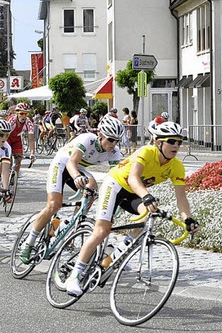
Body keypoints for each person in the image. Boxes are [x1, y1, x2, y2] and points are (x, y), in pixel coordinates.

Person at [65, 121, 200, 297]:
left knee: (147, 217)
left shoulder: (176, 167)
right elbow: (133, 179)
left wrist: (188, 218)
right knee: (102, 230)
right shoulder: (146, 152)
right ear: (159, 142)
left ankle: (118, 252)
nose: (176, 146)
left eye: (179, 142)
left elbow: (181, 198)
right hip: (115, 185)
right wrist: (146, 196)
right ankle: (74, 276)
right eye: (171, 141)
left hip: (133, 193)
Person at [17, 115, 125, 264]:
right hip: (62, 164)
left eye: (117, 140)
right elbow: (71, 162)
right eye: (111, 139)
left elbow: (116, 176)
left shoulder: (114, 152)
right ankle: (28, 243)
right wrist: (76, 177)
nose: (114, 144)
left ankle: (71, 223)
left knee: (92, 187)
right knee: (54, 205)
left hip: (79, 168)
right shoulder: (88, 139)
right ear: (100, 135)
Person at [0, 102, 36, 188]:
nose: (24, 116)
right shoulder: (12, 120)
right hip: (7, 137)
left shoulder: (28, 123)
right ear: (17, 113)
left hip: (17, 139)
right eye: (21, 113)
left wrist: (32, 154)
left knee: (19, 158)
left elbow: (31, 140)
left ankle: (14, 179)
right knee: (5, 158)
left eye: (25, 113)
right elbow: (4, 134)